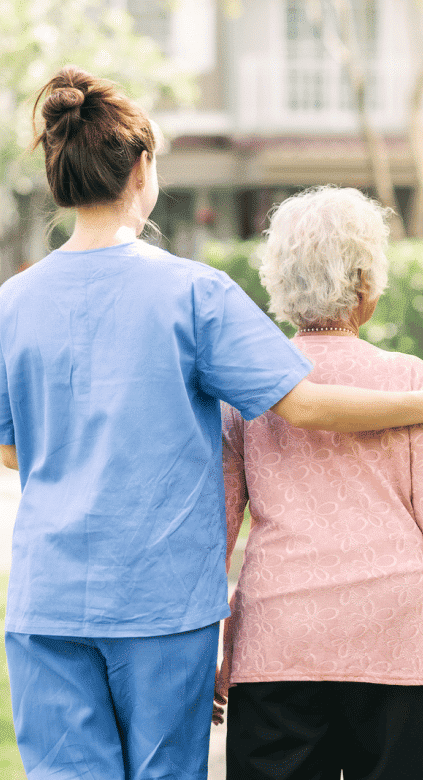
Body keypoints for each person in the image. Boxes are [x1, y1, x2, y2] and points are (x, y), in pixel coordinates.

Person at [1, 70, 423, 780]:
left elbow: (12, 447)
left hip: (49, 595)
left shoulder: (12, 301)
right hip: (160, 600)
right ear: (143, 168)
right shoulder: (193, 292)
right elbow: (304, 403)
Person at [216, 185, 423, 780]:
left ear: (279, 283)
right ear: (366, 283)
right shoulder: (407, 381)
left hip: (280, 640)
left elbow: (218, 529)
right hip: (396, 636)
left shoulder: (247, 393)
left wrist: (208, 647)